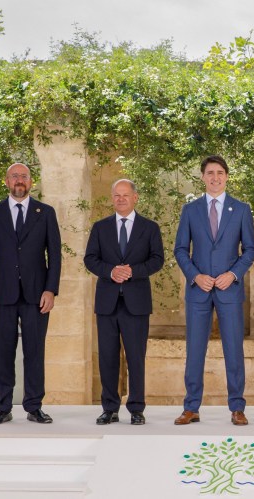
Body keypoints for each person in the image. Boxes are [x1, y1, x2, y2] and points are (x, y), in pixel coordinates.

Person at [173, 155, 254, 426]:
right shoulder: (190, 210)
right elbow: (181, 250)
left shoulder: (241, 209)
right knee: (195, 350)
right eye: (210, 172)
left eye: (220, 172)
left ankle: (237, 407)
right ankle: (191, 407)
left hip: (228, 290)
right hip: (199, 291)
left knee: (233, 349)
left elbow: (250, 250)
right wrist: (196, 276)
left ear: (227, 176)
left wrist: (232, 275)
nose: (215, 177)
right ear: (202, 176)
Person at [0, 163, 61, 425]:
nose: (19, 180)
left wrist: (50, 289)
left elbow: (55, 255)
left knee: (35, 351)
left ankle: (34, 407)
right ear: (6, 181)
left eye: (23, 176)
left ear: (30, 181)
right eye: (14, 176)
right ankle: (3, 406)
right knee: (4, 351)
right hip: (2, 295)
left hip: (37, 296)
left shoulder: (45, 213)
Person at [83, 179, 164, 425]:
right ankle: (110, 408)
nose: (120, 199)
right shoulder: (100, 227)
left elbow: (157, 260)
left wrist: (132, 271)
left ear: (135, 197)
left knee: (136, 356)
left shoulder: (149, 228)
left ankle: (137, 408)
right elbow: (90, 259)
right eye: (116, 195)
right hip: (107, 302)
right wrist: (110, 271)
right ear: (112, 198)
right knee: (107, 356)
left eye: (125, 195)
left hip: (136, 303)